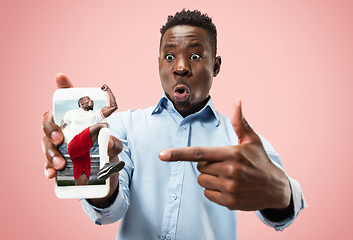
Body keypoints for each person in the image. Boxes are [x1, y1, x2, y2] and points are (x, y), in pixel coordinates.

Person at [42, 9, 307, 240]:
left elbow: (283, 205)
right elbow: (110, 212)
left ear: (216, 66)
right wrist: (98, 178)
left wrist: (281, 193)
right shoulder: (121, 128)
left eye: (194, 56)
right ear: (158, 64)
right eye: (169, 57)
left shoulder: (241, 141)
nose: (180, 67)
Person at [59, 84, 124, 185]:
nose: (92, 101)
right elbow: (61, 126)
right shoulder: (71, 113)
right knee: (104, 125)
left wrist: (109, 90)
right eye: (88, 99)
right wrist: (55, 139)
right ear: (81, 103)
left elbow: (114, 107)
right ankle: (104, 165)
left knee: (83, 180)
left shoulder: (95, 115)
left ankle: (81, 192)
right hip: (74, 144)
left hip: (84, 151)